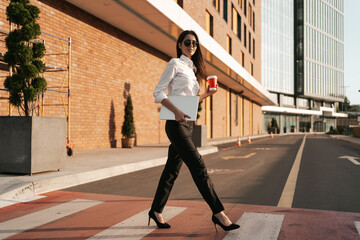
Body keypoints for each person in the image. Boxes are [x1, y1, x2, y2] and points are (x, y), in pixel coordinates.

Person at [149, 30, 240, 232]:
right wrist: (176, 110)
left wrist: (206, 94)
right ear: (180, 44)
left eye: (195, 43)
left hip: (187, 124)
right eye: (188, 42)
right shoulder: (175, 63)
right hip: (175, 123)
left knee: (172, 170)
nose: (191, 46)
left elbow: (189, 101)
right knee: (198, 166)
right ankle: (219, 214)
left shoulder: (192, 69)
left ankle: (155, 210)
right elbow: (158, 92)